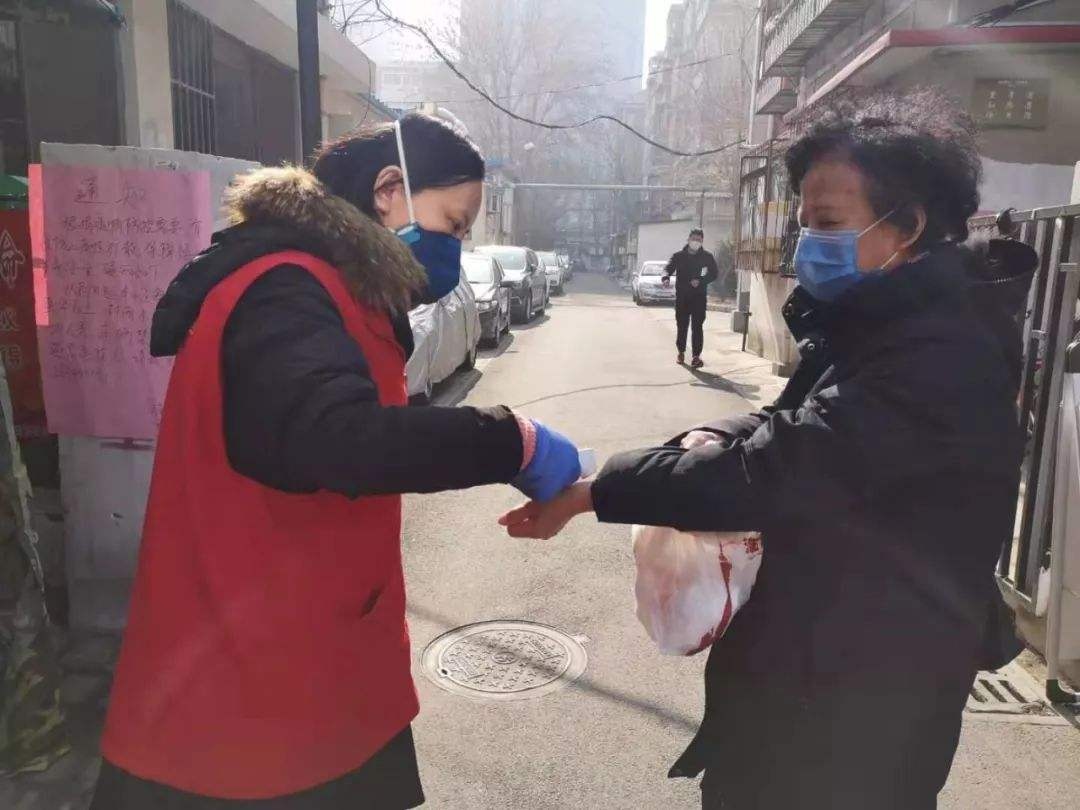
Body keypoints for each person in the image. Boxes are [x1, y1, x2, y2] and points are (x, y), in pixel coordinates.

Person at [501, 89, 1036, 809]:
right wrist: (715, 434)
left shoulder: (939, 352)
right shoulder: (884, 320)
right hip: (820, 670)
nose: (807, 243)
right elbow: (790, 419)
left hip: (858, 708)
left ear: (907, 225)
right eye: (803, 222)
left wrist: (593, 491)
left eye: (828, 223)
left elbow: (779, 468)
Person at [90, 113, 582, 809]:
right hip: (251, 689)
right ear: (388, 191)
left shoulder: (329, 287)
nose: (455, 246)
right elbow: (338, 438)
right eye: (453, 222)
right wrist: (513, 442)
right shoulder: (284, 290)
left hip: (313, 650)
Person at [663, 227, 718, 368]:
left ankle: (696, 356)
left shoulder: (706, 256)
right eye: (694, 239)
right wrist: (666, 277)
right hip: (682, 297)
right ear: (688, 239)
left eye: (699, 240)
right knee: (682, 326)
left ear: (702, 241)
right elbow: (668, 268)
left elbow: (714, 273)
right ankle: (681, 351)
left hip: (699, 297)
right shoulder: (679, 256)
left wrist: (701, 281)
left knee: (697, 327)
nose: (696, 242)